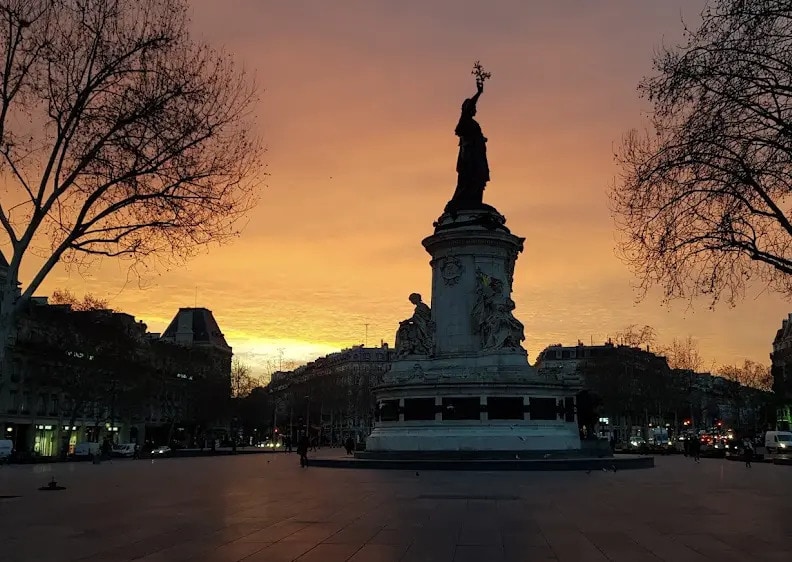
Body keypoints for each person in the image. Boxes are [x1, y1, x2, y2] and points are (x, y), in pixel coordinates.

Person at [447, 80, 490, 213]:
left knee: (479, 176)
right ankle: (465, 200)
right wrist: (479, 93)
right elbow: (468, 106)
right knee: (471, 176)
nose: (475, 109)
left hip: (477, 154)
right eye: (473, 107)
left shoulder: (472, 123)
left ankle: (475, 200)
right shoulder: (465, 119)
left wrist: (481, 139)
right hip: (469, 156)